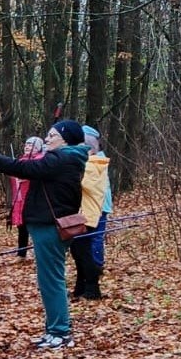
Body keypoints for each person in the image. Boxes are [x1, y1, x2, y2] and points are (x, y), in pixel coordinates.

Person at [0, 119, 89, 349]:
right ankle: (54, 331)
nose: (47, 140)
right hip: (47, 225)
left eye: (52, 136)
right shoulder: (65, 159)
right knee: (49, 280)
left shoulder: (61, 159)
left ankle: (60, 333)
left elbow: (24, 168)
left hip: (49, 227)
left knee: (51, 281)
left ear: (65, 139)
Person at [69, 125, 112, 300]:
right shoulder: (90, 163)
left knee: (85, 248)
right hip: (82, 212)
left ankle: (92, 287)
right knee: (78, 249)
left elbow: (86, 185)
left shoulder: (96, 164)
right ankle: (81, 286)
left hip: (92, 213)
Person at [8, 137, 44, 262]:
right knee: (22, 227)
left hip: (34, 200)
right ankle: (21, 254)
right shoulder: (20, 161)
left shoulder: (40, 160)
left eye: (31, 145)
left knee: (34, 226)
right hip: (20, 199)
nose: (28, 147)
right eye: (26, 144)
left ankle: (39, 252)